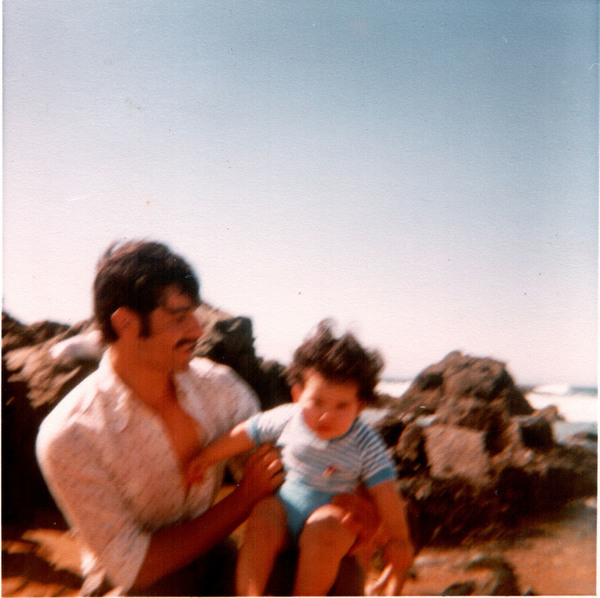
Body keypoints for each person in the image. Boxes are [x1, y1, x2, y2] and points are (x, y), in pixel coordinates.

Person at [35, 240, 377, 597]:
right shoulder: (69, 434)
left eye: (193, 314)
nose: (198, 330)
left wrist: (350, 500)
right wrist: (242, 499)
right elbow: (133, 566)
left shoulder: (219, 388)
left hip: (216, 563)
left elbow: (283, 479)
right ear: (125, 323)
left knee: (338, 565)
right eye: (179, 317)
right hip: (132, 586)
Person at [187, 320, 414, 596]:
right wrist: (207, 457)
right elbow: (245, 434)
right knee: (262, 515)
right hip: (284, 515)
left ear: (360, 406)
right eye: (317, 402)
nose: (326, 415)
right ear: (297, 394)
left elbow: (385, 491)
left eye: (342, 406)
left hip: (332, 522)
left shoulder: (365, 440)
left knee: (326, 530)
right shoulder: (288, 418)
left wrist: (399, 540)